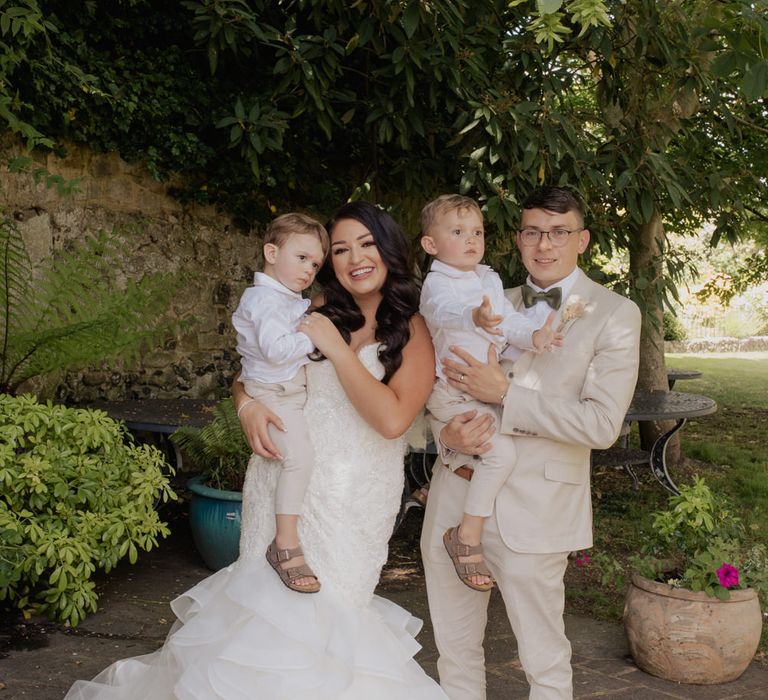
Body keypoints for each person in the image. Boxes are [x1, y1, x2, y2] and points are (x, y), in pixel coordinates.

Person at [65, 201, 447, 700]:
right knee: (261, 614)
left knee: (329, 620)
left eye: (367, 243)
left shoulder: (412, 328)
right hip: (282, 476)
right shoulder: (311, 309)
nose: (355, 257)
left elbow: (394, 420)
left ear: (389, 248)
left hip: (354, 495)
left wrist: (335, 349)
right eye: (340, 249)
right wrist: (244, 405)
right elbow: (254, 371)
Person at [420, 186, 642, 700]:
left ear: (582, 239)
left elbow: (602, 425)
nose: (544, 244)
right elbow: (435, 377)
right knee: (453, 650)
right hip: (456, 494)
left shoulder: (614, 314)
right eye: (532, 232)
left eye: (559, 231)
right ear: (518, 239)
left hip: (536, 511)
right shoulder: (480, 296)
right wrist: (443, 432)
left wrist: (508, 396)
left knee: (542, 656)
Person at [418, 194, 561, 592]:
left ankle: (448, 497)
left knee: (504, 451)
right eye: (458, 232)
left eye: (477, 232)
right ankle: (465, 536)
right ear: (431, 244)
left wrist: (534, 336)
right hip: (454, 391)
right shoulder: (436, 284)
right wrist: (473, 316)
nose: (471, 239)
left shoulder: (488, 278)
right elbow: (442, 312)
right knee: (501, 455)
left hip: (486, 392)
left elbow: (507, 321)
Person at [231, 212, 328, 594]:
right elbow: (274, 351)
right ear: (271, 252)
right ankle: (284, 542)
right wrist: (316, 335)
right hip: (274, 394)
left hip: (290, 392)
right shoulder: (264, 300)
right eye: (301, 258)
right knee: (298, 458)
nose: (309, 270)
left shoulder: (285, 298)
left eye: (315, 264)